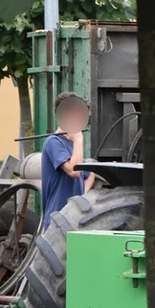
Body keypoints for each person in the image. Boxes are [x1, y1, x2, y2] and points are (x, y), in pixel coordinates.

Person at [41, 92, 96, 227]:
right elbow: (74, 171)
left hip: (75, 220)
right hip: (57, 222)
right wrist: (78, 139)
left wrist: (82, 193)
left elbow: (89, 173)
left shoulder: (73, 145)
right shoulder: (53, 142)